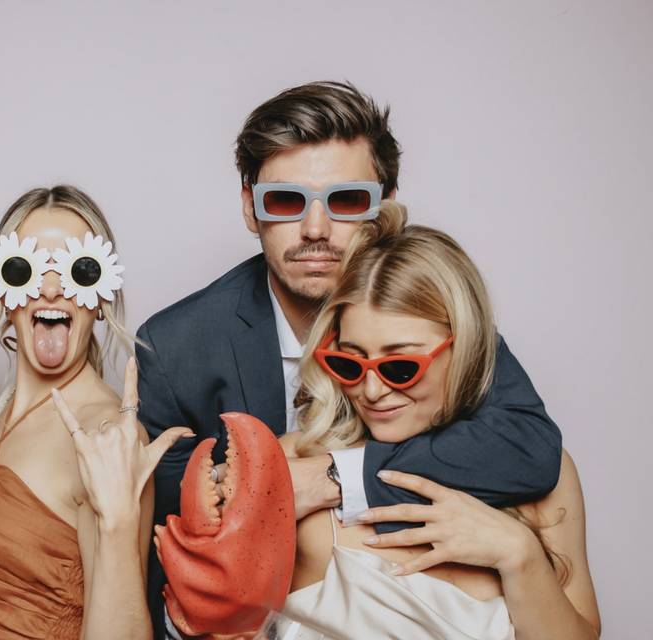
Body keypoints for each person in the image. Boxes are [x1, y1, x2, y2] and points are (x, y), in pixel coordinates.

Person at [136, 81, 562, 638]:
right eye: (286, 201)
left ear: (383, 207)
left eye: (346, 201)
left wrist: (338, 477)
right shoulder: (175, 347)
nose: (316, 230)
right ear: (249, 207)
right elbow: (166, 540)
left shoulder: (431, 311)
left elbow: (527, 446)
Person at [281, 205, 600, 639]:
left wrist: (518, 553)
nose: (371, 392)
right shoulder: (297, 463)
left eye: (399, 367)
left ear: (464, 351)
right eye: (350, 364)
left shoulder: (549, 474)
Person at [0, 185, 190, 640]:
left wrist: (117, 523)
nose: (51, 288)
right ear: (1, 292)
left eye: (79, 270)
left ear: (103, 294)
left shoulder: (103, 436)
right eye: (25, 269)